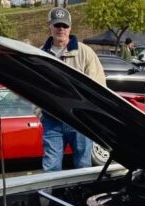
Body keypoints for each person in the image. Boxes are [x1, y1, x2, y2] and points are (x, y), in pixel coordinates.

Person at [40, 7, 105, 172]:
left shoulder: (85, 53)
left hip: (80, 122)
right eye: (57, 25)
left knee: (83, 167)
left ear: (70, 27)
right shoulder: (40, 54)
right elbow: (32, 87)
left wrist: (90, 116)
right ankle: (51, 198)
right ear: (50, 26)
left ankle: (82, 197)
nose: (61, 29)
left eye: (64, 25)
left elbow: (98, 86)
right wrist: (40, 113)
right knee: (51, 167)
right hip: (52, 121)